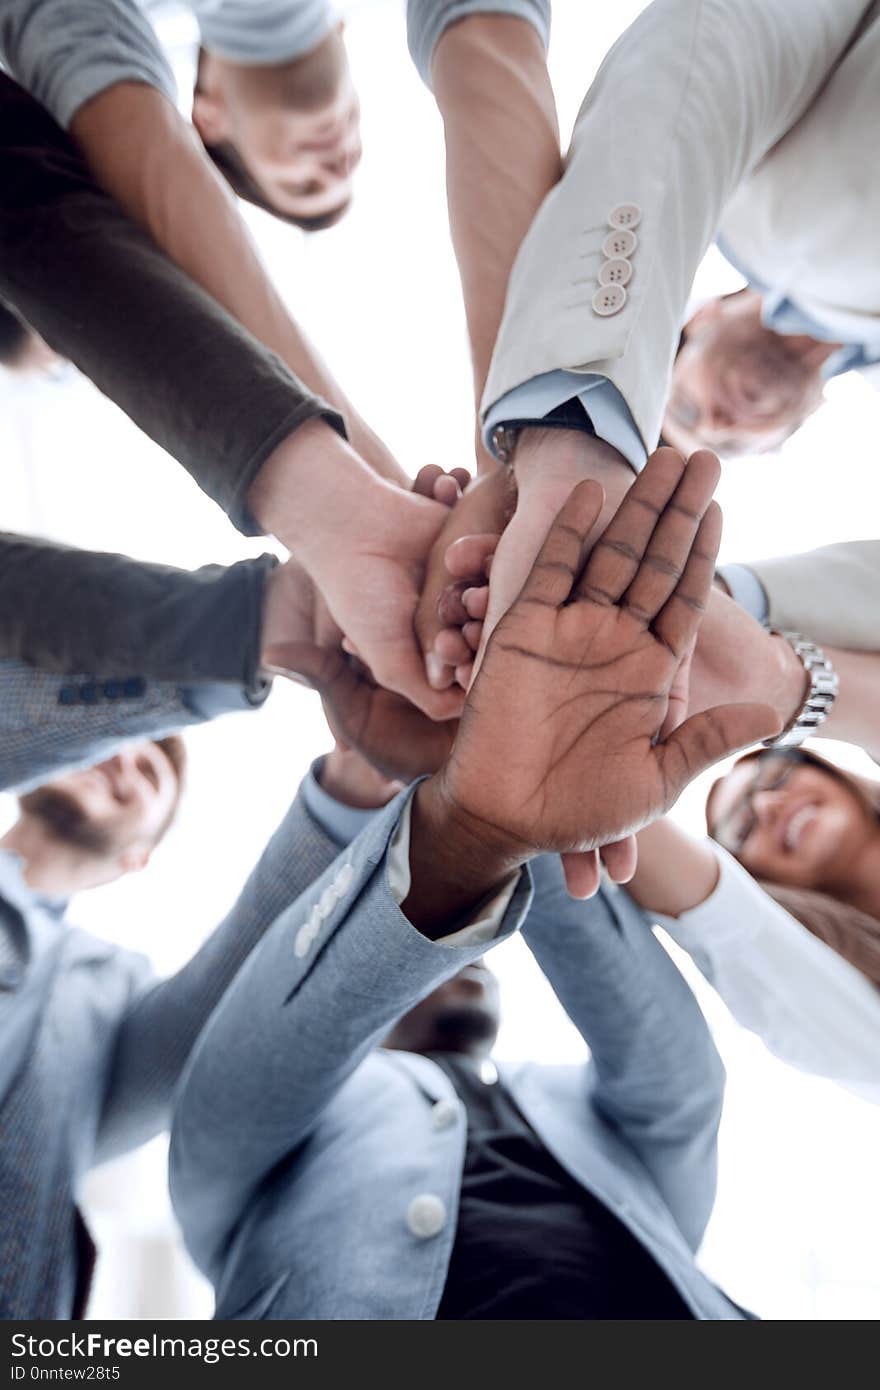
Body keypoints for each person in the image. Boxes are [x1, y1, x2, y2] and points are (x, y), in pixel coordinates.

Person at [167, 454, 780, 1321]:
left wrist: (489, 782)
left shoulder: (581, 1109)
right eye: (448, 956)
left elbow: (676, 1079)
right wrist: (474, 820)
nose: (470, 967)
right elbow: (233, 1092)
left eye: (479, 950)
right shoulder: (297, 1120)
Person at [417, 0, 880, 681]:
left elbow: (706, 50)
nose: (720, 421)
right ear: (790, 433)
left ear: (696, 322)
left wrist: (570, 446)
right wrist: (709, 607)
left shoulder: (741, 202)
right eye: (731, 442)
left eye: (687, 410)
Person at [621, 749, 880, 1103]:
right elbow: (726, 917)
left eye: (777, 775)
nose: (768, 804)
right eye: (743, 828)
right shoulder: (841, 1009)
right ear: (759, 882)